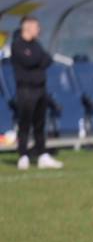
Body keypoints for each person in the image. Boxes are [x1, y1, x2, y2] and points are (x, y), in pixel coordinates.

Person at [10, 16, 62, 170]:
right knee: (25, 124)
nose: (38, 30)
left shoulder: (36, 45)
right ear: (27, 27)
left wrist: (36, 58)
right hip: (26, 90)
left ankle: (42, 155)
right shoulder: (17, 45)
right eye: (36, 27)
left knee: (40, 124)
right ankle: (23, 156)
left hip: (40, 89)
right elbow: (29, 61)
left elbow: (47, 58)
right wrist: (37, 59)